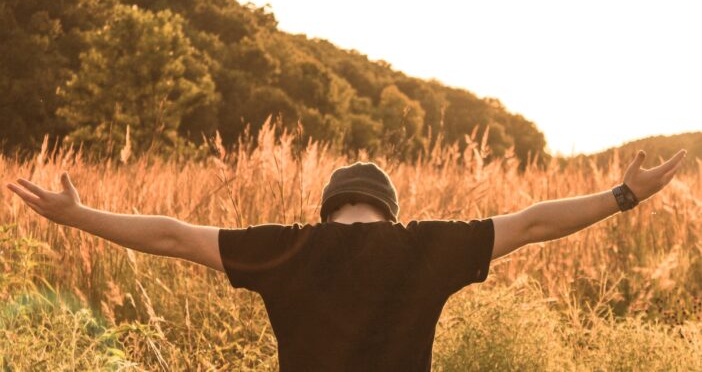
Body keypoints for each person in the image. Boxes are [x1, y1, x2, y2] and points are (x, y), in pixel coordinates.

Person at [5, 149, 687, 371]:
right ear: (387, 209)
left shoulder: (285, 247)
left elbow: (174, 235)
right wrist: (625, 193)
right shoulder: (425, 247)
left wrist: (78, 215)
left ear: (330, 205)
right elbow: (537, 221)